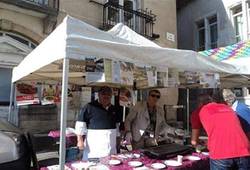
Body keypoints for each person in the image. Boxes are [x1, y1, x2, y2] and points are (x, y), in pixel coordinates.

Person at [199, 90, 250, 169]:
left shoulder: (204, 110)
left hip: (221, 152)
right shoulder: (228, 108)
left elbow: (207, 130)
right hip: (243, 150)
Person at [74, 86, 120, 160]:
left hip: (110, 146)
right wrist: (80, 141)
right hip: (94, 147)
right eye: (103, 93)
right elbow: (80, 125)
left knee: (110, 163)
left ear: (111, 96)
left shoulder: (114, 109)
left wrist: (118, 143)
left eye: (108, 94)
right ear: (98, 94)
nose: (106, 96)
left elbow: (117, 127)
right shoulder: (89, 107)